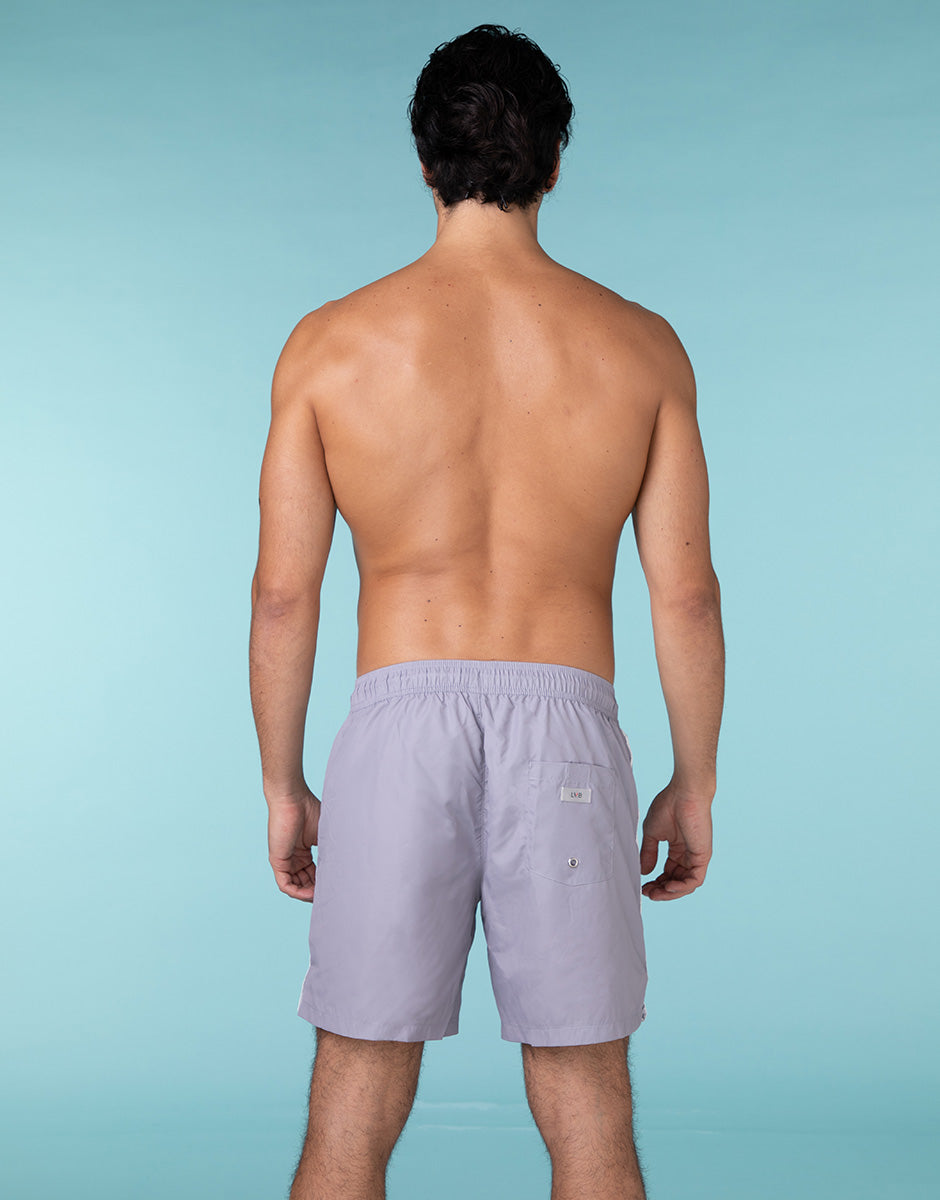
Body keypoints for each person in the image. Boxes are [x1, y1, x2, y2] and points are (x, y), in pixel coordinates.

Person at [249, 22, 724, 1200]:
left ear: (425, 160)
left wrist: (282, 782)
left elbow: (283, 594)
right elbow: (685, 592)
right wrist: (693, 777)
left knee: (354, 1093)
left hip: (396, 729)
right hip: (566, 732)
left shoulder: (328, 346)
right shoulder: (641, 348)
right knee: (587, 1101)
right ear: (554, 161)